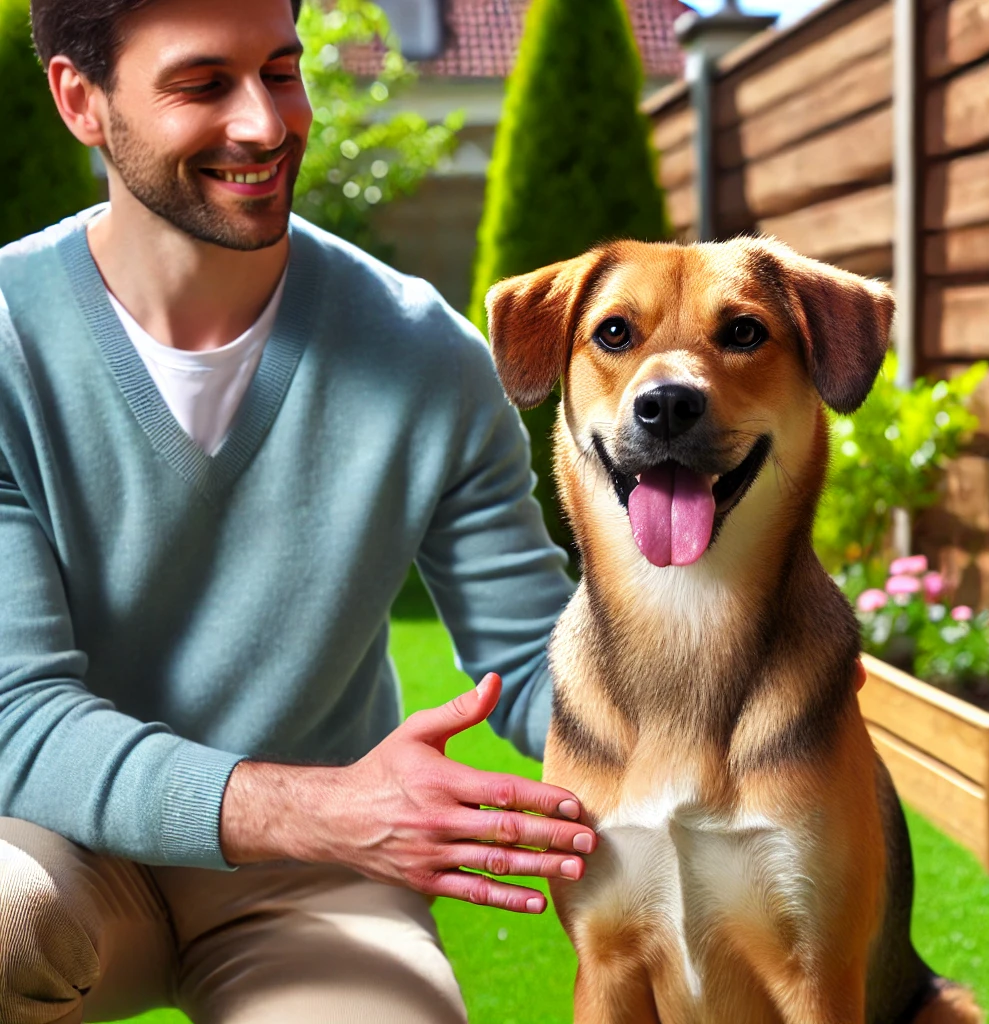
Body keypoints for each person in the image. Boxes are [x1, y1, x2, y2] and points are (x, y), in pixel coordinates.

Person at [0, 0, 598, 1021]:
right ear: (80, 100)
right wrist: (324, 808)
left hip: (314, 889)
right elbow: (19, 717)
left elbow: (534, 665)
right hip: (61, 848)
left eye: (281, 71)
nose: (266, 124)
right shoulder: (11, 341)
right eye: (203, 84)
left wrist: (710, 699)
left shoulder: (428, 361)